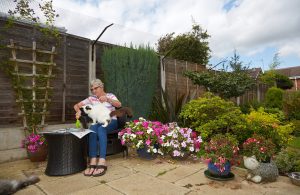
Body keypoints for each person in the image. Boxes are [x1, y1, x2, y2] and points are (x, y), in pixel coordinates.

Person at [73, 79, 121, 176]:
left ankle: (102, 160)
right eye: (92, 89)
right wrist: (78, 111)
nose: (94, 91)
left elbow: (119, 104)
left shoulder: (110, 95)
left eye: (96, 88)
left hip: (111, 121)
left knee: (101, 129)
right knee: (92, 130)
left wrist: (108, 99)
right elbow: (76, 105)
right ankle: (93, 160)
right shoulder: (91, 99)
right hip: (99, 122)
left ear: (101, 87)